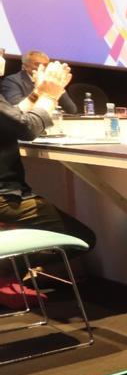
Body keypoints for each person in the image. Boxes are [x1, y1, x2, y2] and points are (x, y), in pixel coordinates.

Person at [0, 58, 95, 249]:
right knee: (82, 240)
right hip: (4, 198)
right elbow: (27, 128)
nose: (2, 58)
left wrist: (39, 92)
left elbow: (13, 116)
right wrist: (51, 97)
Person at [1, 50, 77, 113]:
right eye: (37, 64)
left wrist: (58, 87)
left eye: (45, 65)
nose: (41, 67)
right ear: (25, 66)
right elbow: (17, 107)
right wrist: (39, 91)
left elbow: (72, 109)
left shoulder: (52, 81)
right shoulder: (12, 81)